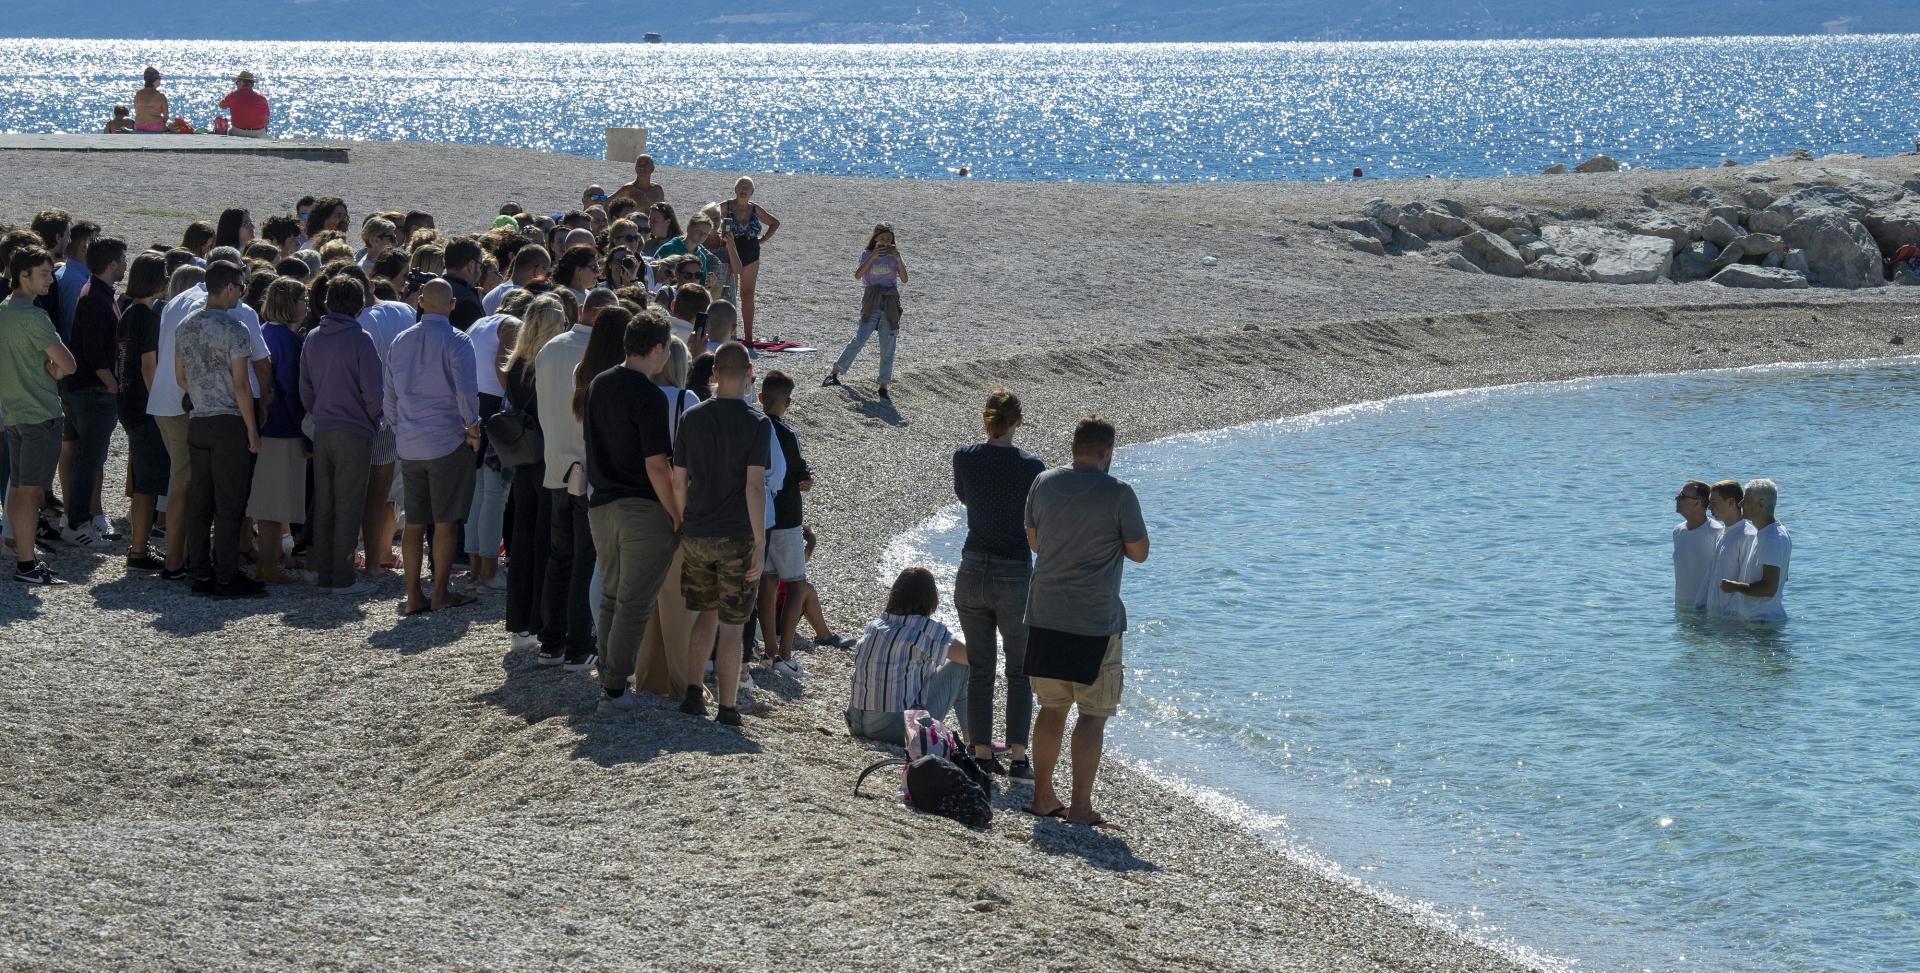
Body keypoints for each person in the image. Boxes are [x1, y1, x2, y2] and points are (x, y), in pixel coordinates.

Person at [1023, 417, 1149, 826]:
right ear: (1108, 450)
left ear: (1074, 446)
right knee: (1092, 715)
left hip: (1044, 612)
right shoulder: (1119, 493)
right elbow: (1139, 552)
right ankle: (1080, 806)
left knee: (1051, 707)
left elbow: (1035, 542)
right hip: (1095, 618)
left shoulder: (1042, 482)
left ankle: (1043, 797)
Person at [584, 310, 680, 710]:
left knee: (610, 596)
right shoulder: (648, 395)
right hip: (640, 507)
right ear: (656, 347)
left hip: (601, 504)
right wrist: (677, 512)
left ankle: (609, 674)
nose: (665, 359)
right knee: (634, 602)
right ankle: (614, 686)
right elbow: (657, 464)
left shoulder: (597, 383)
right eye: (666, 350)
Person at [671, 342, 769, 726]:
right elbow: (754, 486)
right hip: (735, 535)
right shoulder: (756, 422)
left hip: (697, 530)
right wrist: (759, 543)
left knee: (705, 613)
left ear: (713, 374)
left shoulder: (691, 418)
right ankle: (727, 707)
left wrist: (683, 521)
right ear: (748, 374)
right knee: (733, 622)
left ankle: (694, 693)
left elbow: (679, 480)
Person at [954, 388, 1046, 780]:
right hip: (1012, 570)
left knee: (980, 668)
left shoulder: (965, 457)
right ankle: (1019, 758)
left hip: (973, 566)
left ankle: (981, 753)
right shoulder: (1032, 467)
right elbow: (1035, 516)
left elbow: (965, 497)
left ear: (985, 420)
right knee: (1019, 670)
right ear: (1018, 423)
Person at [385, 279, 480, 615]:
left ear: (421, 301)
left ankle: (413, 596)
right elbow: (466, 391)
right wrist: (473, 429)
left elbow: (390, 396)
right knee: (445, 522)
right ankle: (439, 593)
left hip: (410, 441)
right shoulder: (458, 341)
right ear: (453, 305)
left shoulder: (400, 341)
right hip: (446, 440)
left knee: (414, 522)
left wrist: (402, 429)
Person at [174, 260, 265, 599]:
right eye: (240, 287)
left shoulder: (185, 326)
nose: (241, 294)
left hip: (198, 419)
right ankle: (226, 575)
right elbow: (242, 385)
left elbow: (181, 376)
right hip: (229, 422)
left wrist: (202, 392)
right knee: (229, 503)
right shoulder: (235, 329)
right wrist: (252, 430)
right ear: (228, 288)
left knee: (200, 501)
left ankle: (200, 573)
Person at [300, 276, 383, 596]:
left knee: (325, 502)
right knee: (348, 504)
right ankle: (343, 577)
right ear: (359, 303)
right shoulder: (361, 339)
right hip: (354, 429)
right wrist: (372, 419)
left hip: (323, 429)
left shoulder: (313, 338)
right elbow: (374, 393)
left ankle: (324, 573)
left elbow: (304, 386)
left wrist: (319, 411)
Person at [1, 247, 78, 585]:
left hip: (14, 413)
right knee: (31, 493)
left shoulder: (3, 310)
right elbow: (68, 364)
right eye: (44, 273)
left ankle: (23, 558)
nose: (50, 279)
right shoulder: (34, 317)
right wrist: (56, 371)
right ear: (23, 276)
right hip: (39, 415)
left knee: (19, 489)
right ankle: (27, 564)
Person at [534, 287, 598, 667]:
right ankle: (577, 646)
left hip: (555, 465)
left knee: (560, 557)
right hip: (586, 468)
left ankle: (551, 642)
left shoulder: (550, 348)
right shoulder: (599, 355)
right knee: (583, 560)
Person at [502, 294, 567, 649]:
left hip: (524, 456)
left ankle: (519, 622)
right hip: (549, 456)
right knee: (546, 540)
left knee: (522, 538)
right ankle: (541, 619)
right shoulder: (549, 365)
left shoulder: (515, 367)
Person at [845, 567, 970, 744]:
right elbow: (970, 657)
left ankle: (974, 741)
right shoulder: (924, 628)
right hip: (892, 729)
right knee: (963, 667)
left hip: (856, 724)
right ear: (930, 599)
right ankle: (975, 742)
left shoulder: (875, 625)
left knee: (926, 664)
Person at [61, 235, 127, 550]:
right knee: (90, 459)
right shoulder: (94, 298)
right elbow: (93, 352)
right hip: (92, 391)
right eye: (123, 261)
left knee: (88, 458)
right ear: (113, 264)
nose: (125, 266)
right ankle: (76, 523)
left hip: (87, 390)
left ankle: (79, 519)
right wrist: (112, 384)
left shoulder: (99, 293)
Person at [248, 278, 308, 585]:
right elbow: (291, 386)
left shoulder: (265, 332)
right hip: (283, 427)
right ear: (290, 304)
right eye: (303, 299)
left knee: (269, 500)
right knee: (273, 501)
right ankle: (268, 565)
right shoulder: (286, 340)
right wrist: (307, 426)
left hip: (268, 426)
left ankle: (269, 560)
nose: (307, 305)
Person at [114, 251, 171, 570]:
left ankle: (139, 545)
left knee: (142, 480)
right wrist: (161, 405)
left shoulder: (128, 311)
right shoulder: (147, 316)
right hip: (144, 406)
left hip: (127, 401)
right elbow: (150, 367)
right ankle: (138, 550)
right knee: (147, 483)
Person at [755, 370, 813, 674]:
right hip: (787, 516)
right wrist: (807, 479)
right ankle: (785, 655)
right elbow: (800, 472)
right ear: (788, 402)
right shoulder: (787, 434)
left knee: (766, 583)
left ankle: (768, 650)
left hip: (761, 515)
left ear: (761, 397)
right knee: (795, 584)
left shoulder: (754, 425)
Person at [823, 223, 905, 399]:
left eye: (889, 240)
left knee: (888, 345)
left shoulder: (894, 257)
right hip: (871, 300)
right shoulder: (867, 254)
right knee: (859, 338)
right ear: (875, 238)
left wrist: (898, 259)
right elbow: (858, 275)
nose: (885, 242)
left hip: (890, 301)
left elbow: (904, 279)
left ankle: (884, 385)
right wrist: (873, 255)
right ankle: (835, 371)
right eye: (882, 238)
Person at [1720, 478, 1790, 623]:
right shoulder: (1774, 532)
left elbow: (1769, 588)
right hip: (1759, 619)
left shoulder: (1771, 538)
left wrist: (1734, 586)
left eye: (1746, 500)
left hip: (1763, 620)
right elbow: (1783, 576)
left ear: (1761, 504)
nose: (1740, 504)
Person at [721, 177, 778, 342]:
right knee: (730, 294)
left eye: (747, 188)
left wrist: (763, 239)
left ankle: (748, 337)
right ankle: (731, 334)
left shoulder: (755, 209)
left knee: (747, 295)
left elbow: (774, 223)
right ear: (735, 189)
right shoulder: (726, 206)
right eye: (741, 187)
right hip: (731, 250)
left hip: (751, 252)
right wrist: (717, 236)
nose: (744, 190)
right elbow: (707, 216)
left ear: (752, 192)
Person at [1696, 479, 1756, 618]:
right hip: (1715, 617)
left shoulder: (1748, 535)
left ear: (1731, 502)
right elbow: (1710, 574)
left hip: (1733, 621)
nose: (1709, 507)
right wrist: (1699, 606)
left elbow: (1746, 580)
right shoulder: (1722, 533)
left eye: (1714, 503)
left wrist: (1730, 615)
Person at [1672, 480, 1721, 610]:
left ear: (1697, 502)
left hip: (1706, 609)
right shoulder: (1678, 531)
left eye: (1682, 496)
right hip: (1681, 608)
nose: (1677, 498)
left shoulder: (1717, 532)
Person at [485, 244, 548, 315]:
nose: (546, 278)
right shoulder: (526, 302)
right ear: (538, 269)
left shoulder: (490, 295)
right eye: (546, 272)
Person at [441, 238, 487, 331]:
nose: (480, 272)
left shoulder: (430, 290)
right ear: (471, 265)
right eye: (480, 266)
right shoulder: (468, 301)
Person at [219, 71, 270, 138]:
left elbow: (221, 105)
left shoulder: (234, 96)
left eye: (237, 82)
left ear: (241, 82)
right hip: (258, 133)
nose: (236, 85)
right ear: (251, 84)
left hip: (239, 132)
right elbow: (267, 119)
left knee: (229, 132)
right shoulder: (261, 98)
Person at [132, 67, 168, 133]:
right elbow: (166, 117)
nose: (160, 80)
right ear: (155, 80)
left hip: (139, 126)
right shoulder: (161, 96)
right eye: (159, 78)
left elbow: (137, 111)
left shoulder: (138, 94)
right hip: (155, 127)